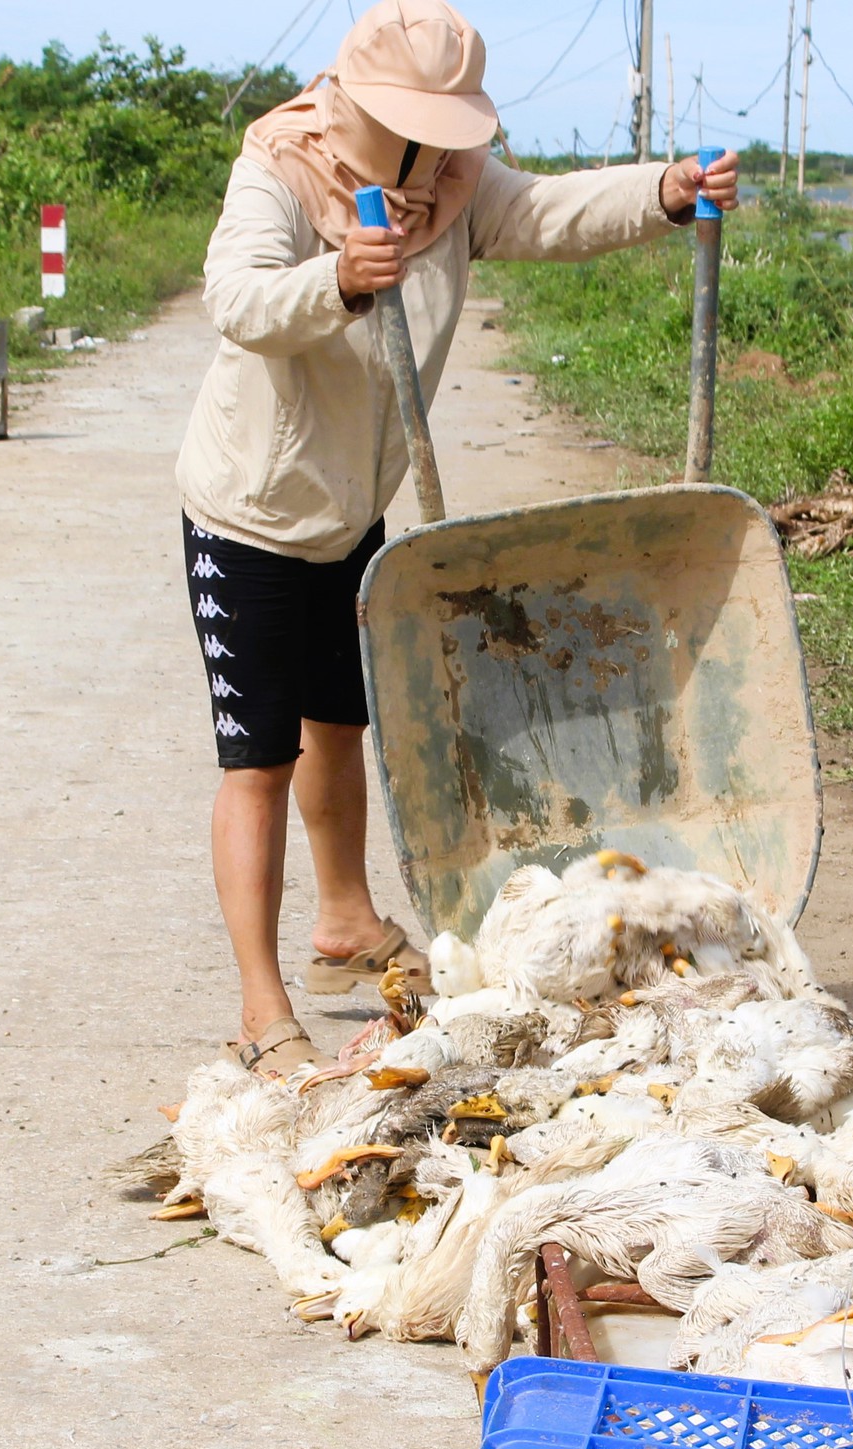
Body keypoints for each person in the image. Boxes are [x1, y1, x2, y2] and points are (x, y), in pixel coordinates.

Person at [175, 0, 740, 1072]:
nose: (436, 153)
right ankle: (262, 1011)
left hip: (354, 511)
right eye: (414, 126)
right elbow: (237, 298)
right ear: (356, 103)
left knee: (339, 721)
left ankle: (343, 919)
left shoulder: (453, 183)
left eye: (447, 130)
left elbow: (548, 213)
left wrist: (662, 191)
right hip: (250, 514)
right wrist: (339, 277)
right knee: (258, 758)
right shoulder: (281, 166)